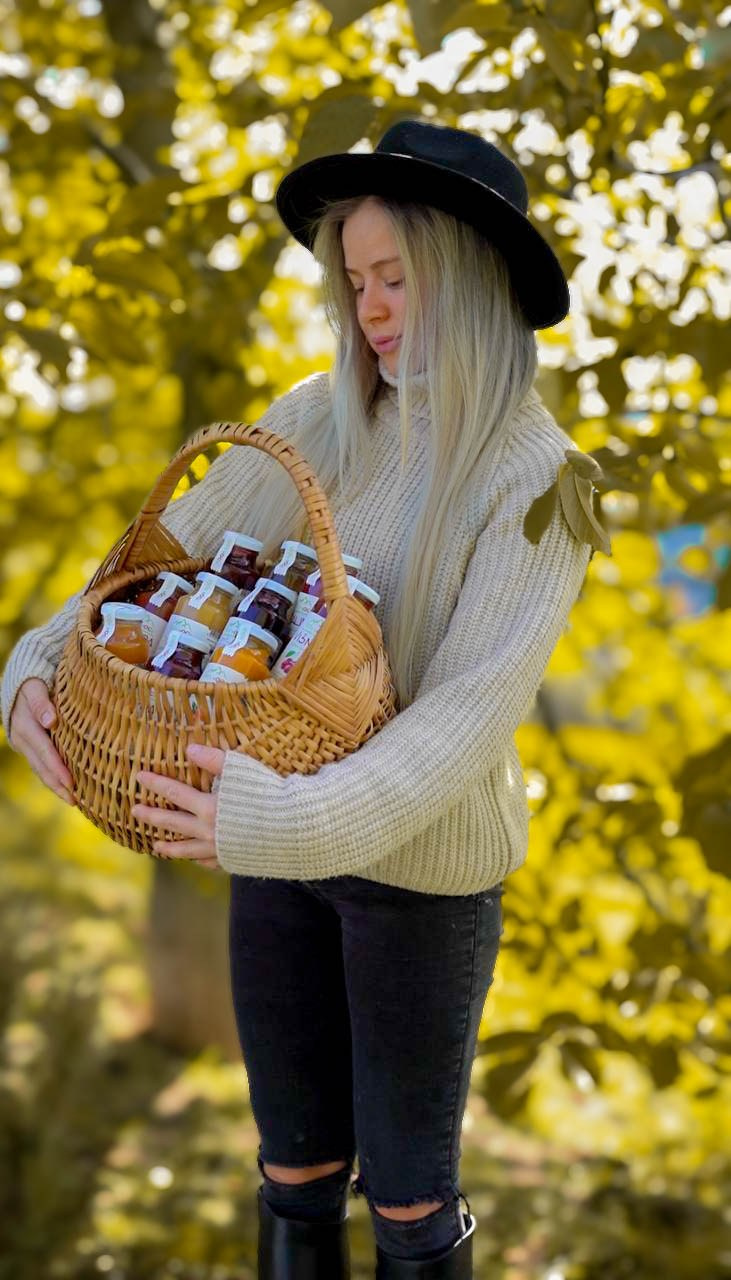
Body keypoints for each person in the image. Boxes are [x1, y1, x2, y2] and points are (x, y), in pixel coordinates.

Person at [2, 120, 605, 1278]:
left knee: (410, 1196)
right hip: (270, 843)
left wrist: (280, 819)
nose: (370, 308)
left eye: (398, 277)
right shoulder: (319, 417)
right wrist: (34, 663)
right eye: (355, 280)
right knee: (291, 1169)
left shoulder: (545, 484)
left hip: (416, 881)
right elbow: (154, 563)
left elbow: (462, 718)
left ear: (473, 281)